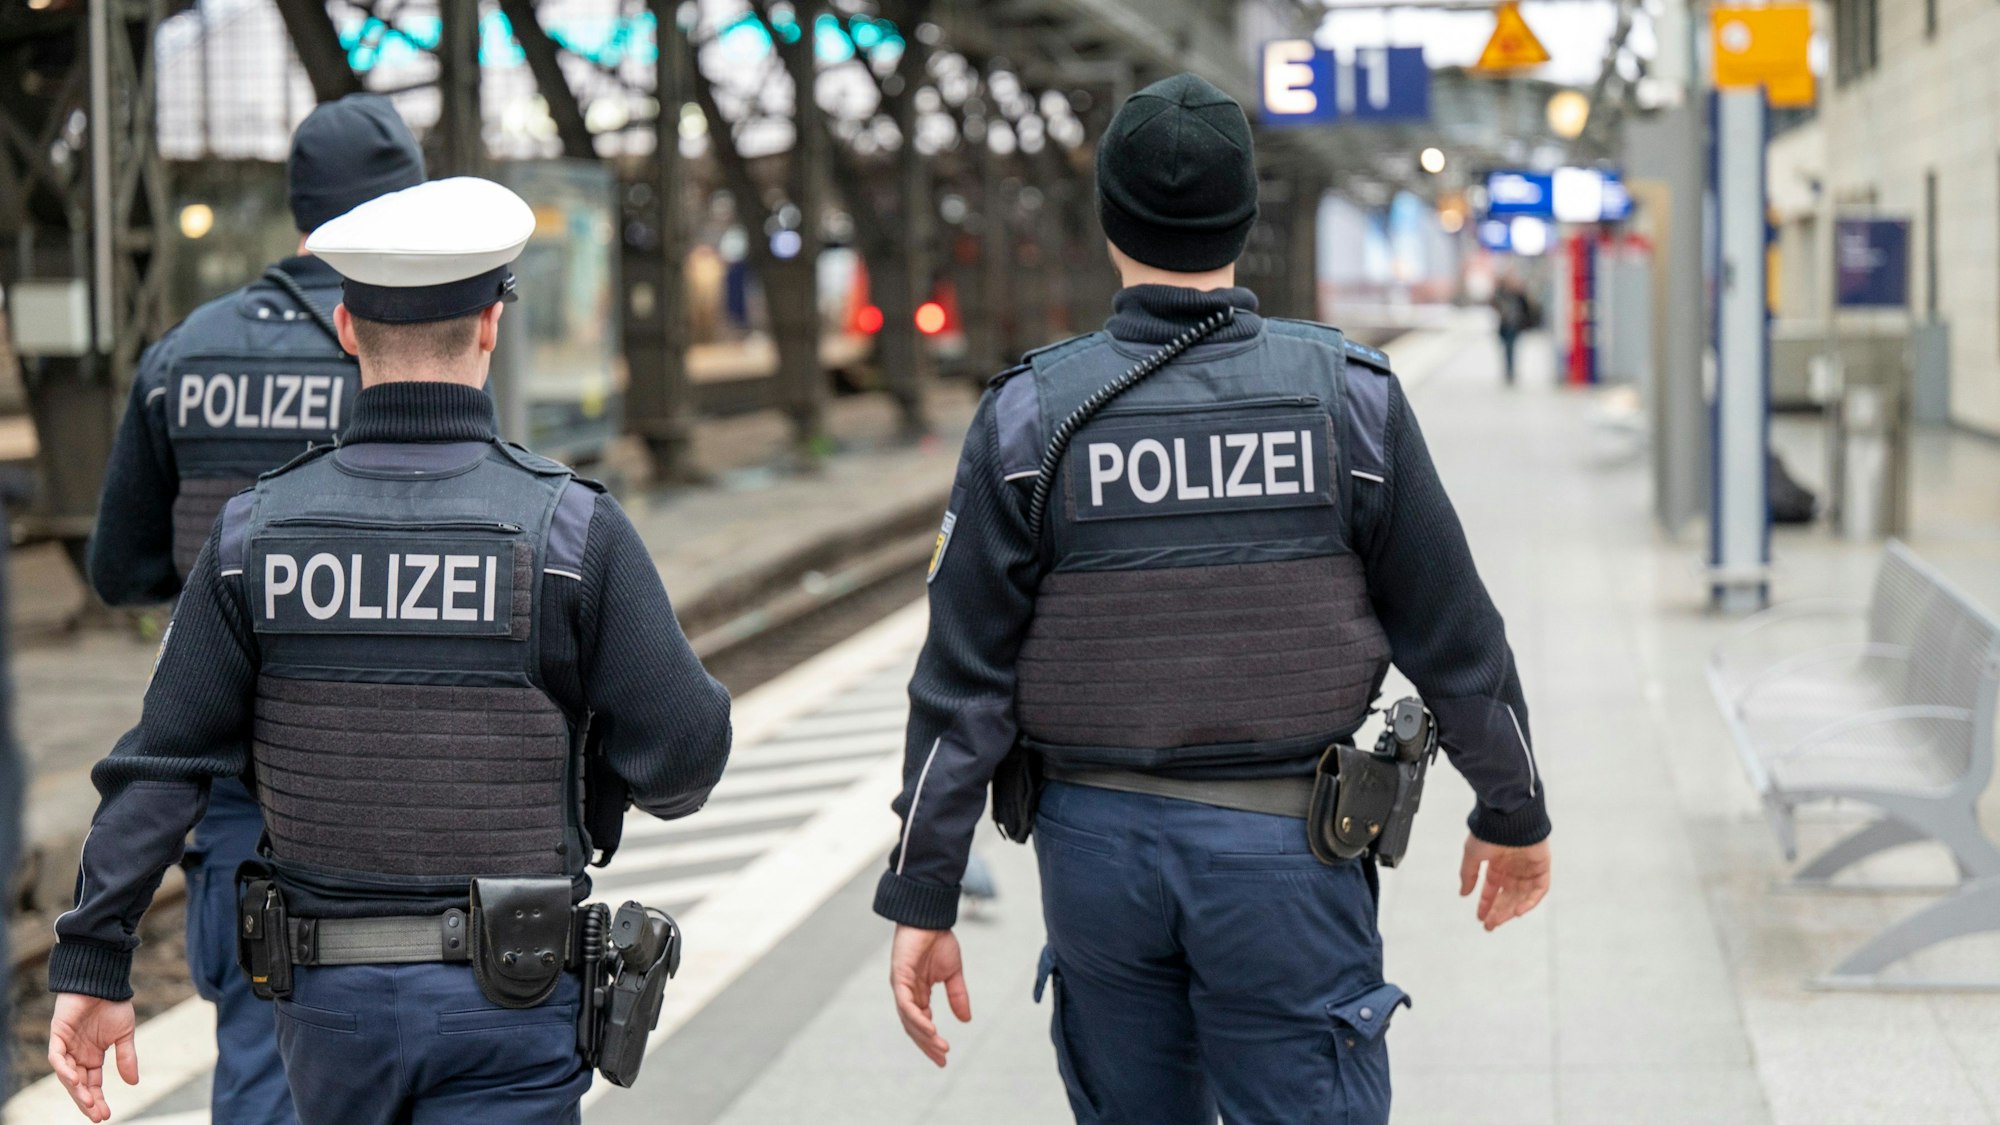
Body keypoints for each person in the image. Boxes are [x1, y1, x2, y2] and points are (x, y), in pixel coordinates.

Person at [876, 73, 1552, 1124]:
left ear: (1109, 222)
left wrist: (922, 890)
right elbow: (1457, 639)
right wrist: (1512, 809)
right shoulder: (1347, 403)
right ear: (1244, 216)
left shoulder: (1027, 420)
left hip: (1093, 855)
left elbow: (962, 682)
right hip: (1285, 856)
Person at [45, 176, 732, 1125]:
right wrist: (589, 779)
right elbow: (686, 755)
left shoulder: (255, 536)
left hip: (329, 1020)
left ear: (345, 331)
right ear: (492, 326)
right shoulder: (571, 532)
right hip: (515, 1001)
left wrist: (92, 957)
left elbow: (162, 761)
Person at [80, 92, 425, 1124]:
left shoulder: (183, 354)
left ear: (298, 206)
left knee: (261, 1053)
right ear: (404, 203)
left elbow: (119, 566)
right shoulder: (413, 350)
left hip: (230, 777)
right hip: (390, 773)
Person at [1492, 273, 1532, 385]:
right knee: (1506, 349)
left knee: (1511, 348)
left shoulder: (1519, 295)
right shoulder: (1501, 294)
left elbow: (1527, 308)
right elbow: (1493, 302)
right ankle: (1508, 370)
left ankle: (1511, 371)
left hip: (1515, 326)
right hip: (1504, 326)